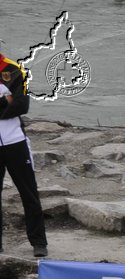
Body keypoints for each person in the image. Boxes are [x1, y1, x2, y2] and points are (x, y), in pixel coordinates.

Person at [0, 49, 47, 258]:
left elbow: (22, 105)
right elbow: (11, 103)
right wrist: (5, 102)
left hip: (15, 142)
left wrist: (10, 103)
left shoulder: (13, 69)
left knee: (29, 193)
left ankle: (38, 242)